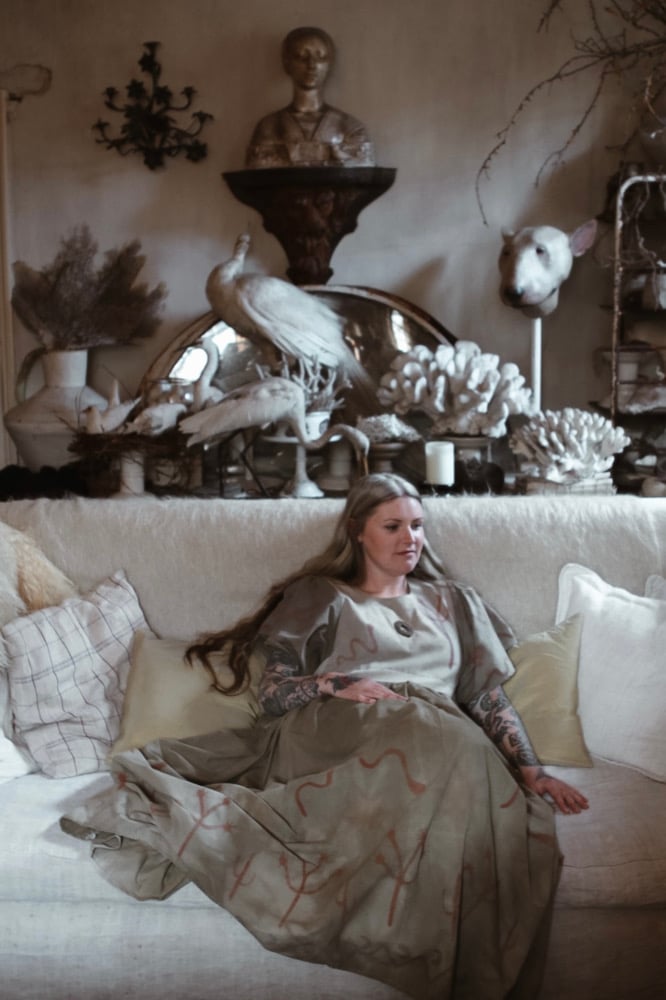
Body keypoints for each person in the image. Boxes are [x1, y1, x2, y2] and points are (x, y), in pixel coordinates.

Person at [64, 473, 588, 1000]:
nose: (410, 538)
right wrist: (335, 683)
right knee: (434, 730)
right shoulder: (323, 595)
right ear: (358, 530)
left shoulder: (455, 602)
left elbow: (486, 698)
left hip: (436, 736)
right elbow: (273, 694)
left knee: (462, 755)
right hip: (341, 726)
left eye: (417, 526)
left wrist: (530, 770)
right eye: (393, 526)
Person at [245, 26, 375, 169]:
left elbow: (363, 169)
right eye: (301, 57)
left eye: (320, 57)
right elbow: (258, 169)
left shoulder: (349, 127)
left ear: (329, 64)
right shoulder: (270, 126)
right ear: (287, 63)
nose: (311, 65)